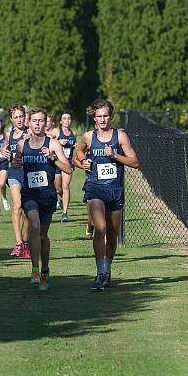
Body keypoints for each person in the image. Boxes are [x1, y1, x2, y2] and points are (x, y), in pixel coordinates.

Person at [74, 99, 139, 291]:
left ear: (110, 116)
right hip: (95, 188)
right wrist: (82, 163)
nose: (102, 119)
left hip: (115, 190)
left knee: (112, 235)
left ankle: (107, 269)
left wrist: (116, 156)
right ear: (93, 117)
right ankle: (100, 272)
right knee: (100, 227)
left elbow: (135, 162)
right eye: (98, 116)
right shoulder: (88, 137)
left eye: (105, 115)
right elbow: (76, 155)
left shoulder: (120, 137)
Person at [13, 108, 72, 291]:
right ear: (28, 123)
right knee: (35, 227)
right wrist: (14, 163)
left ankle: (45, 270)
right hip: (30, 194)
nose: (38, 124)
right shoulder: (22, 145)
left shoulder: (53, 144)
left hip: (47, 195)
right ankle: (35, 270)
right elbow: (16, 163)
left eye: (41, 121)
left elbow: (68, 169)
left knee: (43, 236)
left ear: (45, 123)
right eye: (34, 121)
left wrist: (53, 160)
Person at [1, 104, 30, 259]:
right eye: (16, 117)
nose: (19, 120)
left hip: (30, 173)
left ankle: (25, 242)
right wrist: (3, 148)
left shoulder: (31, 132)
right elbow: (7, 143)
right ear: (11, 119)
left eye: (21, 116)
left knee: (27, 211)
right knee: (17, 204)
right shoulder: (10, 133)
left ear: (25, 117)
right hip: (15, 172)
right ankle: (18, 242)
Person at [49, 111, 76, 222]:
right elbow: (48, 140)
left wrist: (76, 146)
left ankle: (65, 213)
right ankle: (60, 198)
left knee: (65, 186)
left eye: (69, 118)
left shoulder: (73, 133)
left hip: (68, 163)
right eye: (64, 118)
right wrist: (58, 141)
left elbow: (74, 147)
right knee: (58, 188)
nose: (67, 120)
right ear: (61, 121)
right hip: (56, 162)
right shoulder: (57, 131)